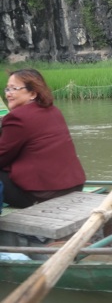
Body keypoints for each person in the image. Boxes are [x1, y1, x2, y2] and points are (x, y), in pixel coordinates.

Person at [0, 68, 86, 209]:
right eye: (7, 89)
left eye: (14, 89)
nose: (8, 94)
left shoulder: (17, 117)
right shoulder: (54, 110)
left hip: (44, 195)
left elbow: (2, 156)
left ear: (33, 93)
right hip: (74, 186)